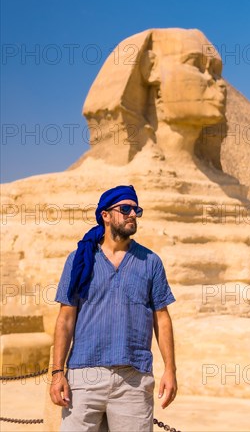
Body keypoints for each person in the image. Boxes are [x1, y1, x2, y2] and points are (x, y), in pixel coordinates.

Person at [50, 185, 177, 432]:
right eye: (125, 208)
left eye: (136, 210)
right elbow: (65, 319)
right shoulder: (79, 261)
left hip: (133, 379)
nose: (132, 214)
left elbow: (162, 319)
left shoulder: (150, 262)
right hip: (84, 376)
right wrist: (58, 373)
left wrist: (170, 370)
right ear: (105, 215)